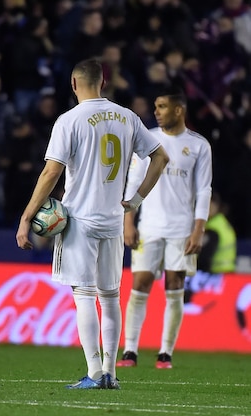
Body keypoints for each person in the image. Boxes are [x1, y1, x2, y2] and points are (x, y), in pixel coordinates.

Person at [15, 59, 169, 390]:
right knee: (110, 296)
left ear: (73, 84)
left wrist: (27, 216)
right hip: (113, 219)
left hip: (79, 220)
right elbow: (160, 157)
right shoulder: (127, 117)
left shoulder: (69, 120)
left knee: (84, 295)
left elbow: (51, 172)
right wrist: (137, 201)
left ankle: (94, 372)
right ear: (103, 83)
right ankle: (110, 374)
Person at [118, 86, 212, 369]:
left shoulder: (198, 145)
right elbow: (132, 182)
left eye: (162, 107)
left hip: (182, 229)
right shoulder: (147, 140)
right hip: (149, 226)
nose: (156, 112)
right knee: (140, 284)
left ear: (178, 110)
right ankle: (130, 351)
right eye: (156, 106)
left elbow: (204, 190)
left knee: (175, 286)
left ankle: (165, 353)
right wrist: (128, 222)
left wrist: (198, 230)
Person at [183, 192, 236, 315]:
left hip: (216, 276)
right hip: (227, 274)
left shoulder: (213, 230)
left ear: (216, 206)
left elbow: (204, 258)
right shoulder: (221, 223)